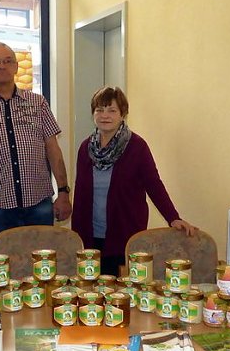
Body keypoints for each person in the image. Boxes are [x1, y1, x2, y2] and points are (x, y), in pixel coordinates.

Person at [71, 86, 195, 275]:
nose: (105, 115)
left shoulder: (137, 147)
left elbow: (153, 184)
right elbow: (80, 192)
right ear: (93, 113)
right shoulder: (85, 148)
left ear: (123, 114)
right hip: (90, 236)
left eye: (112, 110)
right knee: (91, 291)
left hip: (124, 234)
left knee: (121, 292)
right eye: (99, 110)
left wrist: (173, 217)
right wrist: (77, 235)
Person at [0, 42, 72, 235]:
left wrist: (63, 191)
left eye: (7, 61)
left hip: (39, 201)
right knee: (4, 262)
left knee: (43, 261)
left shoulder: (37, 103)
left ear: (15, 66)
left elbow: (53, 149)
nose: (1, 66)